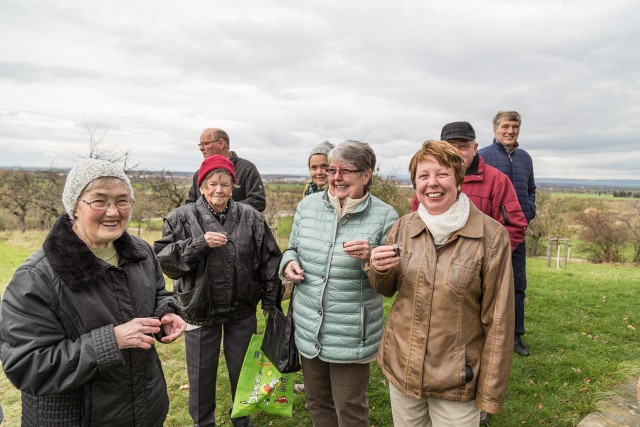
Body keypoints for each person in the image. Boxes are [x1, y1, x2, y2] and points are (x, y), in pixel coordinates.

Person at [0, 158, 186, 426]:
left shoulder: (141, 253)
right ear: (74, 206)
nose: (113, 211)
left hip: (145, 410)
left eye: (123, 200)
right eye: (99, 201)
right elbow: (28, 367)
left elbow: (159, 294)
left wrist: (166, 313)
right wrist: (112, 341)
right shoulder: (36, 277)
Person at [368, 140, 515, 427]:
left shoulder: (491, 236)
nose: (432, 183)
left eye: (442, 174)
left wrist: (489, 393)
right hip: (402, 370)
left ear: (458, 180)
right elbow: (385, 289)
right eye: (423, 176)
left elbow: (499, 321)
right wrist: (377, 269)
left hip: (456, 380)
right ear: (415, 184)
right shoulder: (403, 227)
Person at [154, 155, 281, 427]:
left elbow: (270, 261)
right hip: (199, 308)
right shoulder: (180, 217)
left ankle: (242, 421)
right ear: (201, 187)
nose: (218, 190)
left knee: (244, 372)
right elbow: (166, 261)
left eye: (225, 183)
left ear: (234, 186)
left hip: (242, 307)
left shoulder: (251, 217)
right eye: (212, 183)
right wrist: (199, 244)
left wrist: (271, 301)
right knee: (201, 375)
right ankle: (203, 423)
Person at [280, 140, 398, 426]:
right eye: (332, 170)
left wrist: (371, 258)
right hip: (309, 327)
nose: (335, 178)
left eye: (345, 171)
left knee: (349, 407)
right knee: (317, 402)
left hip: (351, 332)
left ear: (366, 175)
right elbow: (292, 248)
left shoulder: (386, 216)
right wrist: (289, 263)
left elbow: (391, 283)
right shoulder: (308, 206)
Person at [410, 121, 528, 251]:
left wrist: (483, 257)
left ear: (475, 148)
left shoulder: (497, 181)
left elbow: (514, 228)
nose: (455, 152)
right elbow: (416, 222)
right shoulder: (429, 185)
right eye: (449, 146)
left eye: (462, 146)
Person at [478, 111, 536, 358]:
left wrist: (529, 210)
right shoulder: (483, 157)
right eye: (505, 126)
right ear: (495, 130)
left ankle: (515, 337)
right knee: (483, 284)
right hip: (487, 234)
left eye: (514, 127)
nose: (510, 131)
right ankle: (483, 333)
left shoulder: (525, 158)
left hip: (517, 235)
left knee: (517, 286)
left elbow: (531, 189)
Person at [185, 128, 266, 212]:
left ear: (221, 143)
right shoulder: (199, 174)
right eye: (200, 145)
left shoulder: (247, 168)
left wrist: (224, 211)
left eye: (206, 143)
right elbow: (190, 205)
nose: (201, 148)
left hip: (239, 224)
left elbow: (258, 202)